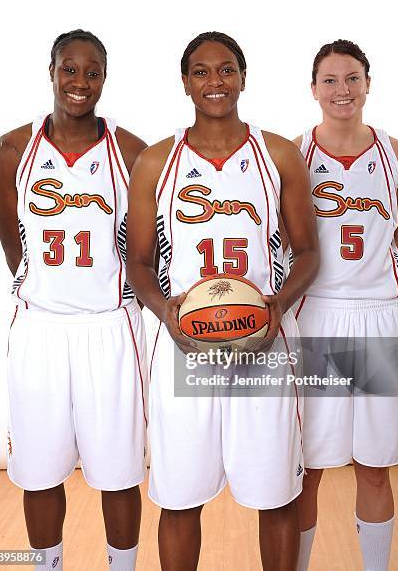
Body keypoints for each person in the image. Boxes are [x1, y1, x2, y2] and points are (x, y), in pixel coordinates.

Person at [126, 31, 319, 570]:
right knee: (180, 497)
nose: (216, 81)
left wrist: (277, 305)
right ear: (185, 82)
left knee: (275, 493)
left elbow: (307, 252)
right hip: (187, 347)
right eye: (203, 72)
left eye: (227, 69)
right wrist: (165, 311)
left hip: (262, 348)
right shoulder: (157, 162)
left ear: (243, 76)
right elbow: (138, 262)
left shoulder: (277, 154)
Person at [0, 29, 148, 571]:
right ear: (51, 70)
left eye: (92, 71)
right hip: (41, 328)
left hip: (110, 326)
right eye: (69, 69)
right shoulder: (14, 148)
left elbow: (147, 245)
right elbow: (15, 245)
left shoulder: (130, 151)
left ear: (105, 77)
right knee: (39, 470)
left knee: (119, 472)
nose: (80, 82)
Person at [293, 39, 398, 571]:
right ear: (314, 89)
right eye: (330, 80)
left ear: (368, 83)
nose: (341, 90)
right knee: (309, 466)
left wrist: (379, 292)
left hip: (378, 318)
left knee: (375, 466)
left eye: (351, 78)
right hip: (317, 315)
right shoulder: (293, 154)